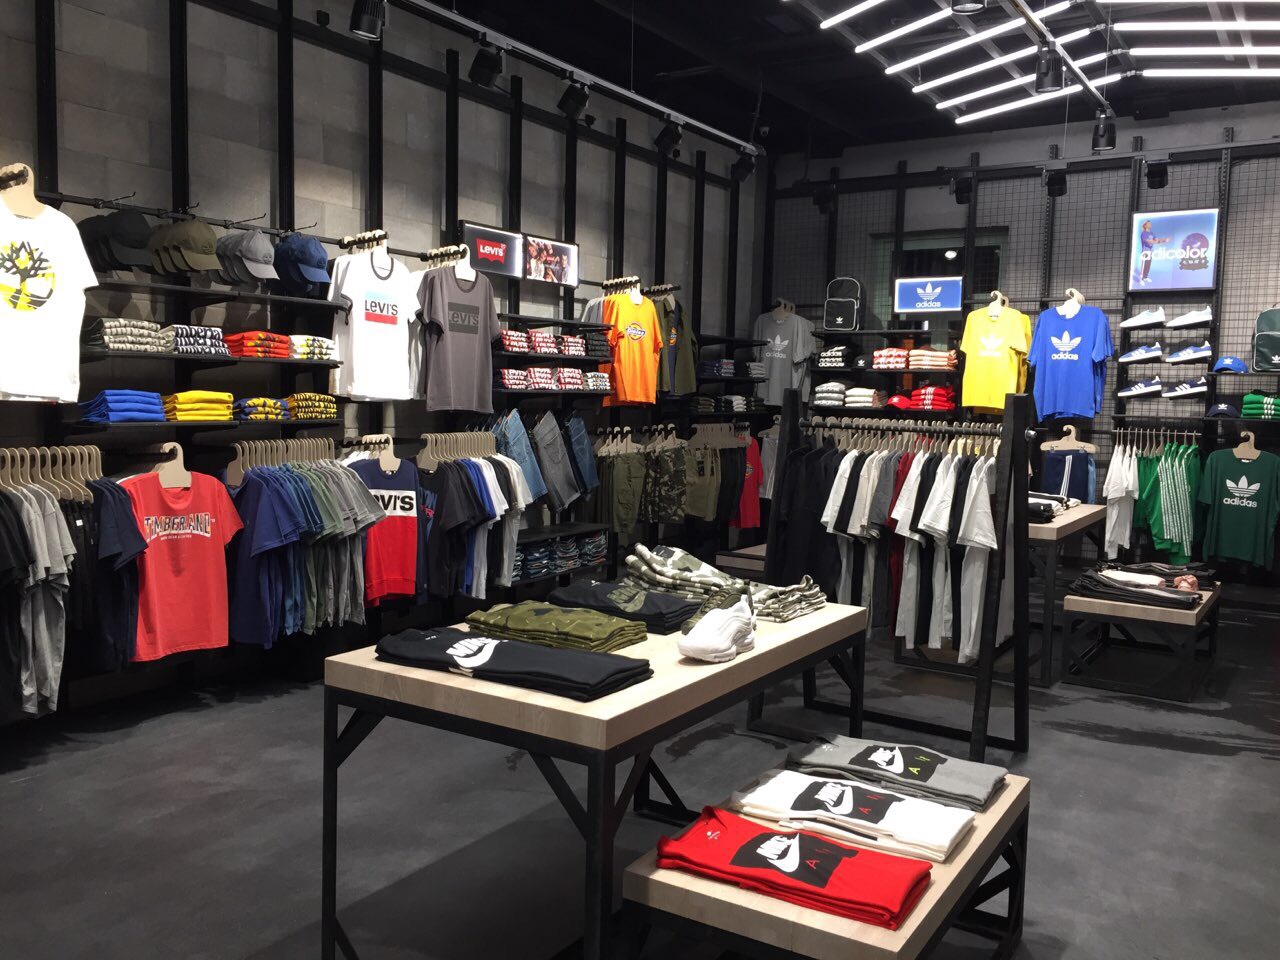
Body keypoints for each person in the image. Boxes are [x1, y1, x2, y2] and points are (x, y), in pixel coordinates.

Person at [1136, 218, 1170, 285]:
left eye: (1150, 223)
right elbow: (1149, 241)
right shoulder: (1144, 234)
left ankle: (1145, 277)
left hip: (1150, 252)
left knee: (1148, 265)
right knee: (1144, 266)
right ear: (1145, 225)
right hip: (1145, 252)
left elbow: (1157, 239)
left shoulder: (1152, 233)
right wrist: (1160, 242)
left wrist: (1164, 240)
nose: (1150, 224)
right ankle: (1140, 279)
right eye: (1148, 224)